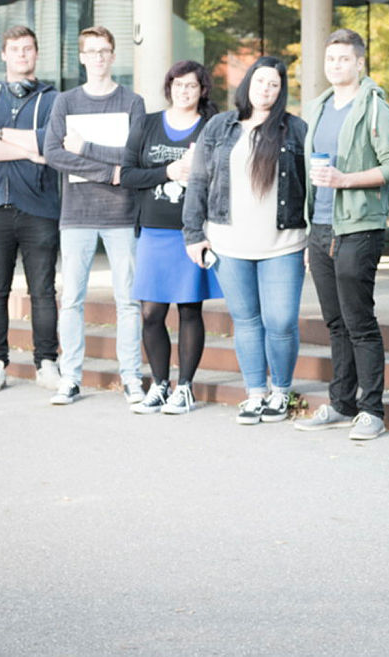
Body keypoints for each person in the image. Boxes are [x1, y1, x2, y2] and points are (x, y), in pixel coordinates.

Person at [294, 28, 389, 441]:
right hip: (320, 227)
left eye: (344, 59)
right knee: (335, 322)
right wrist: (310, 231)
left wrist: (345, 180)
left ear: (360, 63)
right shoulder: (319, 107)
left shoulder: (374, 107)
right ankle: (341, 402)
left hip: (358, 227)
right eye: (330, 60)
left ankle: (371, 410)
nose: (336, 66)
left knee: (358, 320)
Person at [182, 56, 308, 425]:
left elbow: (311, 188)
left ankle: (281, 391)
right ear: (248, 84)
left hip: (284, 243)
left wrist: (315, 237)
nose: (266, 89)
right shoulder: (221, 127)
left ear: (281, 90)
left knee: (281, 320)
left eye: (274, 84)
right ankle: (255, 392)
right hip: (228, 243)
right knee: (247, 320)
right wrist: (193, 234)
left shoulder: (295, 128)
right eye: (260, 81)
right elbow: (199, 181)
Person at [42, 26, 146, 406]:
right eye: (92, 51)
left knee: (128, 300)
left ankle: (132, 378)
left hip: (121, 214)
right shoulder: (66, 103)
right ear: (81, 57)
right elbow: (54, 154)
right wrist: (107, 171)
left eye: (105, 50)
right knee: (71, 299)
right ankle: (70, 378)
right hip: (77, 215)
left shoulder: (132, 102)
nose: (99, 57)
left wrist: (87, 147)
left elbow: (134, 156)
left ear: (113, 56)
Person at [0, 25, 61, 393]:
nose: (22, 54)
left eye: (28, 48)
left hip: (40, 208)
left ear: (36, 53)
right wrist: (29, 151)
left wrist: (0, 134)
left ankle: (47, 362)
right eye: (15, 49)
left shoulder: (54, 100)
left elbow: (54, 144)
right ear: (3, 54)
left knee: (43, 291)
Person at [120, 60, 222, 414]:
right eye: (178, 85)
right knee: (151, 313)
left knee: (189, 309)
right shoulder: (147, 124)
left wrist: (196, 174)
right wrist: (167, 171)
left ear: (201, 90)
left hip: (191, 233)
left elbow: (224, 178)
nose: (184, 91)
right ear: (169, 88)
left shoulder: (211, 127)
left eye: (191, 86)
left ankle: (185, 387)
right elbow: (127, 174)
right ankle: (160, 385)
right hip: (153, 231)